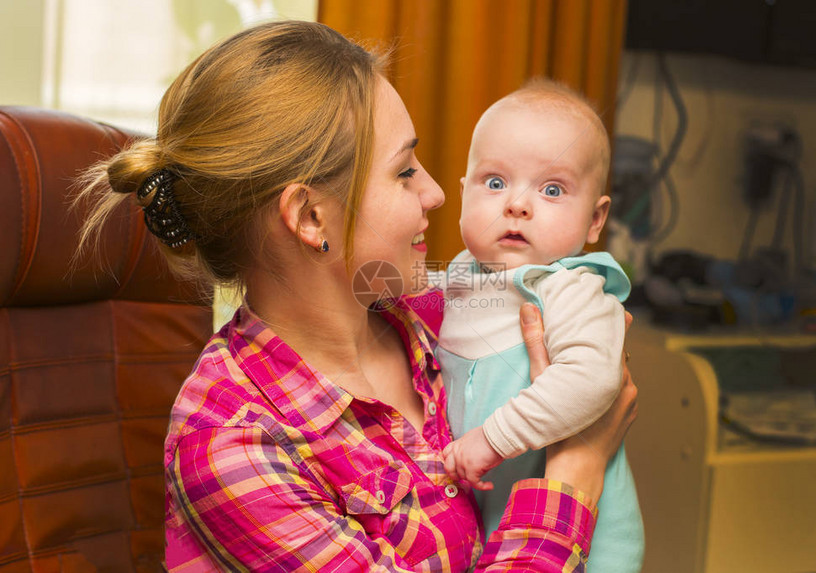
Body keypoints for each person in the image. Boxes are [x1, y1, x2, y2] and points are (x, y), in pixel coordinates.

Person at [74, 21, 637, 571]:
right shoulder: (231, 448)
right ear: (311, 216)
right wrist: (576, 470)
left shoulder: (429, 312)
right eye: (404, 172)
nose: (437, 193)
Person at [438, 80, 645, 572]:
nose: (517, 205)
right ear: (464, 194)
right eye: (494, 182)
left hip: (582, 540)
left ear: (595, 220)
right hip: (493, 527)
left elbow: (593, 378)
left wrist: (491, 439)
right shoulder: (457, 278)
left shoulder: (570, 287)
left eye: (552, 189)